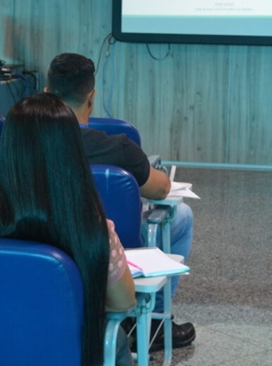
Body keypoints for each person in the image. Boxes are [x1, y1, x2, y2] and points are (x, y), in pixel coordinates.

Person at [0, 93, 136, 366]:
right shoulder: (93, 230)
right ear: (72, 153)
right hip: (56, 351)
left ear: (8, 147)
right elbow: (123, 303)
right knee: (115, 340)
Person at [46, 52, 195, 350]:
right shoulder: (119, 149)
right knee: (182, 216)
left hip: (37, 240)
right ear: (92, 97)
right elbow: (161, 190)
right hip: (110, 247)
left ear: (47, 93)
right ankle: (152, 325)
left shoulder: (20, 142)